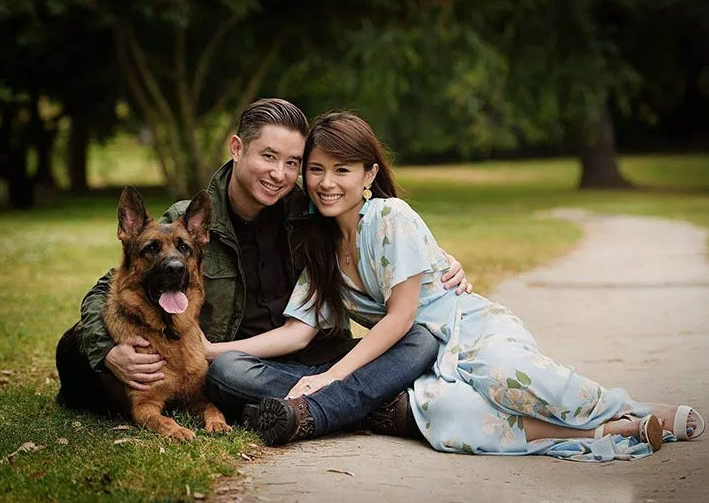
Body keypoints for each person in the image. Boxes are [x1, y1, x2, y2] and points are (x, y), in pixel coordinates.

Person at [238, 111, 705, 460]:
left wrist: (332, 375)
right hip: (426, 364)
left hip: (470, 329)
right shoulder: (320, 253)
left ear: (369, 175)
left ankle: (640, 410)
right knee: (448, 418)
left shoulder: (390, 217)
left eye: (342, 170)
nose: (325, 182)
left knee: (509, 376)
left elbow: (401, 318)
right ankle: (607, 434)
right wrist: (212, 352)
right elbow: (298, 331)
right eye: (316, 169)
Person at [55, 98, 471, 438]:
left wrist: (436, 259)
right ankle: (372, 406)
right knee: (225, 374)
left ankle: (320, 409)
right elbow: (106, 290)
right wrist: (107, 351)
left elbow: (376, 225)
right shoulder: (188, 223)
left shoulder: (313, 210)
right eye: (268, 157)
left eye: (293, 163)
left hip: (323, 357)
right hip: (249, 365)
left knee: (418, 338)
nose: (279, 174)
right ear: (237, 149)